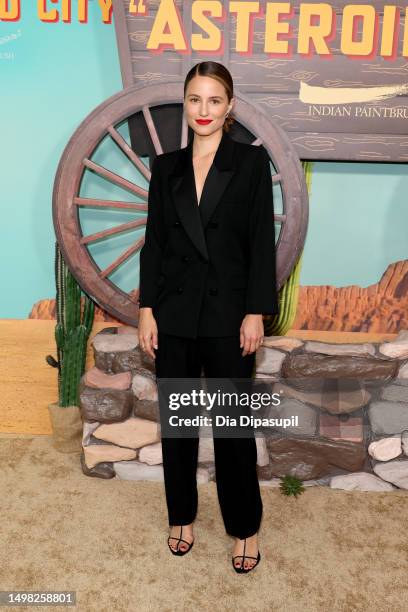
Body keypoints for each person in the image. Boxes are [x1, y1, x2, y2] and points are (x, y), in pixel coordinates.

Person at [137, 61, 279, 574]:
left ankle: (244, 527)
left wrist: (256, 312)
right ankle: (182, 517)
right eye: (195, 100)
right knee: (178, 426)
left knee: (231, 429)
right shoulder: (164, 167)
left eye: (214, 100)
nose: (204, 110)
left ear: (230, 107)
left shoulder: (249, 165)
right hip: (172, 314)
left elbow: (262, 244)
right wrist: (147, 309)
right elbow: (153, 246)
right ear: (185, 103)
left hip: (227, 316)